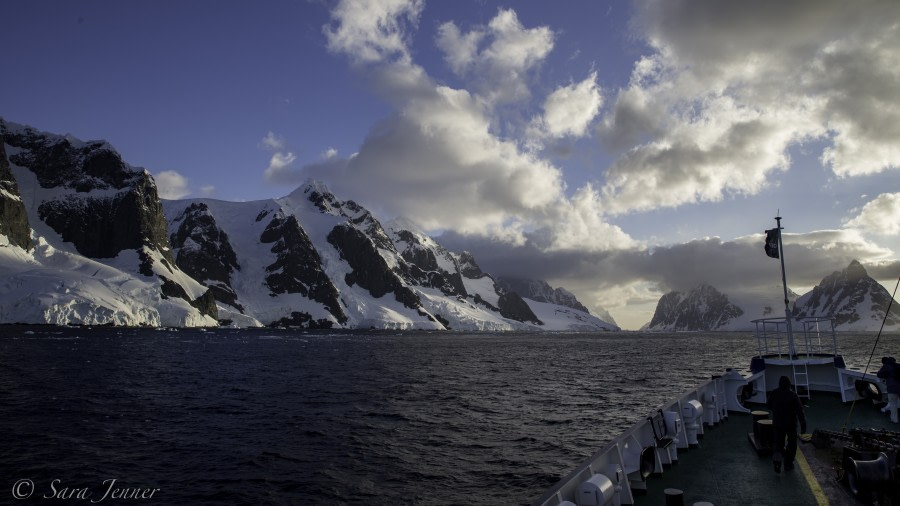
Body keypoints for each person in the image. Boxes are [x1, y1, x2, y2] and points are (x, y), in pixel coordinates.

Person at [767, 376, 807, 473]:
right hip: (790, 424)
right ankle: (788, 464)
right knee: (792, 444)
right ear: (789, 384)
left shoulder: (774, 393)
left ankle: (777, 460)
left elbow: (768, 405)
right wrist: (803, 425)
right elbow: (800, 412)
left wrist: (776, 410)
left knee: (778, 443)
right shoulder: (793, 395)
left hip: (778, 423)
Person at [876, 356, 900, 423]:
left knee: (893, 404)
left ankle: (894, 420)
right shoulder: (898, 365)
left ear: (883, 362)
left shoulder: (886, 366)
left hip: (892, 388)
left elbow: (879, 374)